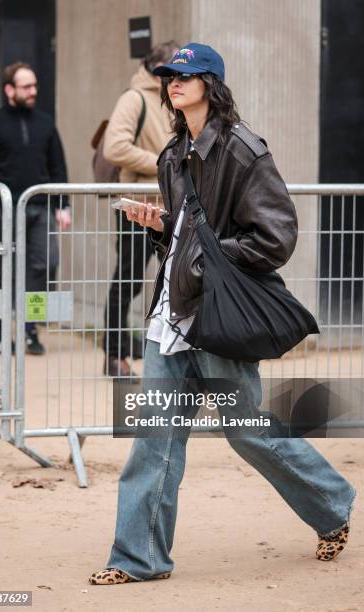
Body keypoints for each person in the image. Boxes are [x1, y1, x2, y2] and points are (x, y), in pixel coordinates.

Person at [89, 43, 355, 585]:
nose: (174, 84)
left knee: (247, 432)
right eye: (169, 76)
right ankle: (138, 559)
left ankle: (332, 503)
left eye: (185, 75)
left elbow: (275, 237)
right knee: (153, 441)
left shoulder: (242, 150)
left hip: (217, 317)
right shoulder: (171, 153)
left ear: (212, 83)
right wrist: (164, 227)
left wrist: (204, 254)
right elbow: (189, 234)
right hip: (172, 315)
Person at [0, 62, 71, 355]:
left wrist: (63, 205)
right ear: (9, 89)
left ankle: (30, 330)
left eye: (34, 86)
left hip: (41, 208)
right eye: (26, 87)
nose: (33, 91)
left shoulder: (45, 122)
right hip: (5, 210)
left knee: (42, 267)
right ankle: (2, 333)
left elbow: (57, 165)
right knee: (4, 272)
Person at [102, 41, 179, 376]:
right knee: (129, 279)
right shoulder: (133, 98)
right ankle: (114, 353)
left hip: (172, 207)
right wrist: (164, 163)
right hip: (138, 206)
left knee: (176, 280)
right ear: (157, 67)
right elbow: (114, 147)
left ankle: (171, 355)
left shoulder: (173, 100)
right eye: (173, 70)